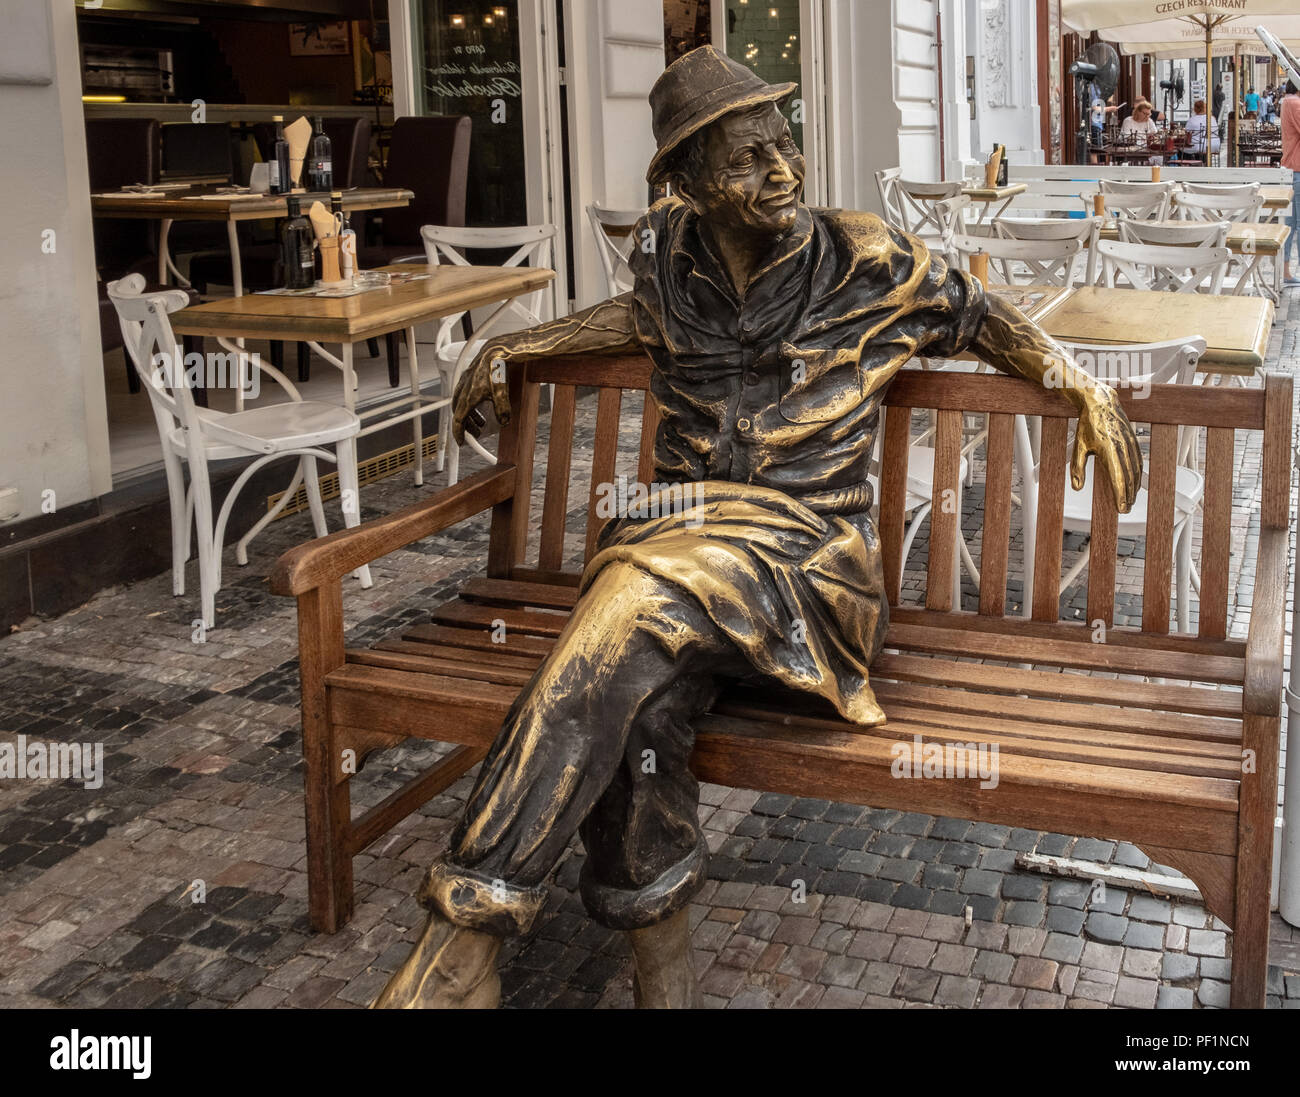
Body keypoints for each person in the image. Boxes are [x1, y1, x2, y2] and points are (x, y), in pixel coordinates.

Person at [372, 46, 1142, 1010]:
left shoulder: (865, 258)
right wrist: (524, 342)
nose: (782, 170)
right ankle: (666, 982)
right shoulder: (669, 258)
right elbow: (634, 318)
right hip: (675, 556)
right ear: (689, 183)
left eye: (784, 144)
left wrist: (1082, 383)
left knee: (624, 611)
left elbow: (982, 315)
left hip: (809, 566)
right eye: (746, 158)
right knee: (636, 701)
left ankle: (459, 948)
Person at [1283, 80, 1300, 285]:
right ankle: (1285, 271)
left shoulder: (1289, 101)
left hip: (1292, 169)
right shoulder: (1294, 103)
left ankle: (1286, 271)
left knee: (1290, 224)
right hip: (1297, 168)